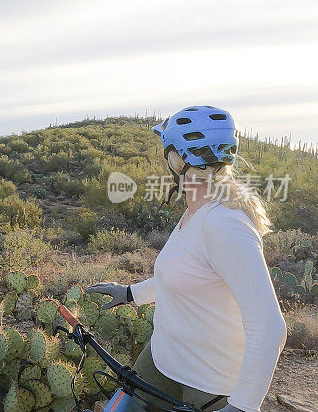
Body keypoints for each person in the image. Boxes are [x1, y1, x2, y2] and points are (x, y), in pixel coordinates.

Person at [87, 106, 287, 412]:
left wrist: (243, 406)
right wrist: (130, 293)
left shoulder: (225, 224)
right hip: (162, 357)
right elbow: (184, 276)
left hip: (205, 381)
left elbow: (270, 326)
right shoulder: (196, 211)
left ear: (178, 160)